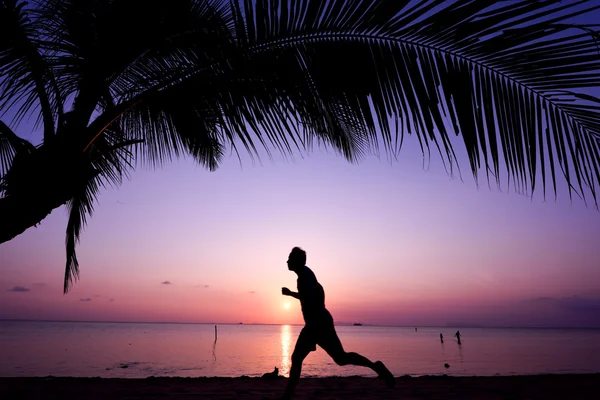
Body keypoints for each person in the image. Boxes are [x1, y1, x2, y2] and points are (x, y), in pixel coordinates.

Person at [280, 247, 395, 399]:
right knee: (340, 358)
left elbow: (310, 296)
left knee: (298, 358)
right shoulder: (305, 275)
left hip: (317, 324)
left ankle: (287, 396)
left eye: (290, 258)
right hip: (319, 322)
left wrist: (290, 294)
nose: (287, 261)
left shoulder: (305, 276)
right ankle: (376, 367)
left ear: (298, 261)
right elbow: (317, 293)